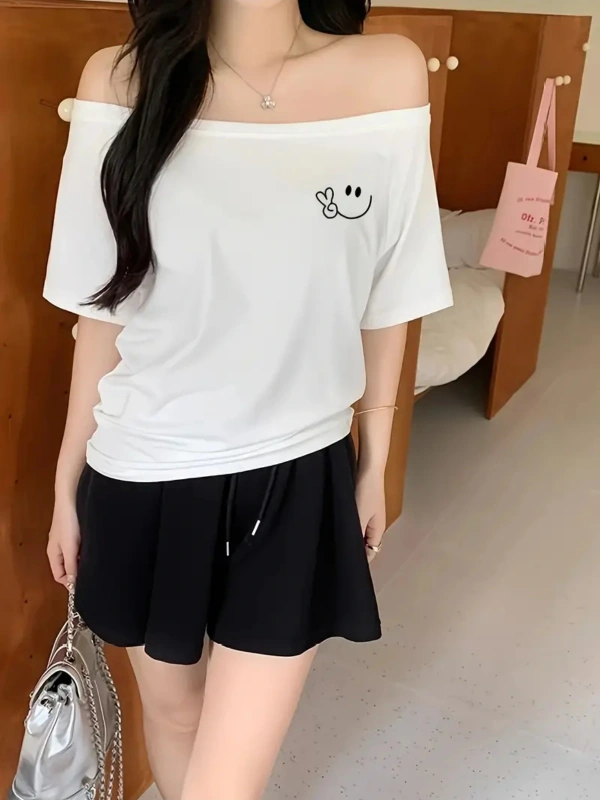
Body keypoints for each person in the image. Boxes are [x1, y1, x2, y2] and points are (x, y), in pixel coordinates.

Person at [44, 0, 452, 798]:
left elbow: (391, 292)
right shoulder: (121, 81)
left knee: (224, 780)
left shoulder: (389, 73)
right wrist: (67, 478)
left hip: (298, 469)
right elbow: (102, 312)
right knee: (174, 718)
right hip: (140, 467)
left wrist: (375, 459)